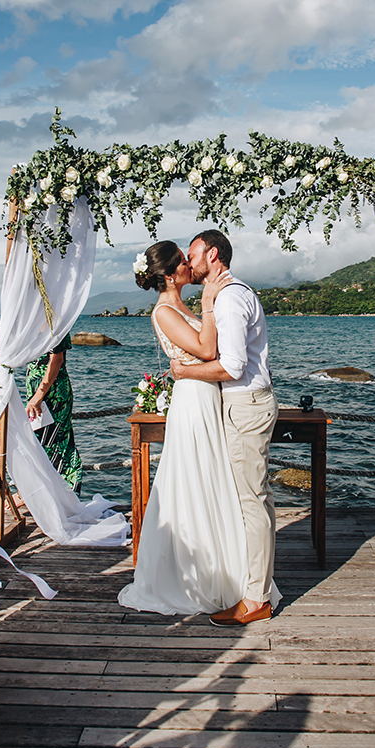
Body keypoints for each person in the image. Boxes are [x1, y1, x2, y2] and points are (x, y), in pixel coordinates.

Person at [118, 240, 249, 615]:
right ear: (172, 274)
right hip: (192, 403)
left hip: (206, 396)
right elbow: (207, 350)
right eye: (183, 260)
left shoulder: (180, 304)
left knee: (211, 482)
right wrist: (209, 302)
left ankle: (225, 569)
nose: (190, 265)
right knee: (194, 482)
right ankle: (193, 577)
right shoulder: (164, 312)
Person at [171, 229, 280, 627]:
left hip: (245, 406)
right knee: (256, 500)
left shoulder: (230, 298)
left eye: (194, 253)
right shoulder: (231, 294)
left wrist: (184, 371)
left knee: (252, 502)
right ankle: (257, 584)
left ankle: (256, 599)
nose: (189, 260)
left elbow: (231, 366)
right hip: (248, 403)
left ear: (212, 254)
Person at [25, 333, 82, 494]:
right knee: (41, 443)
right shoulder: (34, 323)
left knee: (55, 443)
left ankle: (63, 493)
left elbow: (56, 360)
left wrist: (38, 396)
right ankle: (43, 493)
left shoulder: (55, 324)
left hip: (52, 393)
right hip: (38, 392)